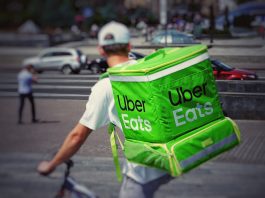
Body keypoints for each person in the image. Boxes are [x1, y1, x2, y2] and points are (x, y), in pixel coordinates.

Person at [37, 21, 172, 198]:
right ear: (129, 46)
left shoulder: (106, 86)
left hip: (145, 167)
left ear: (101, 50)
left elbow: (78, 136)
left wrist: (51, 165)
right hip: (174, 155)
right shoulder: (147, 71)